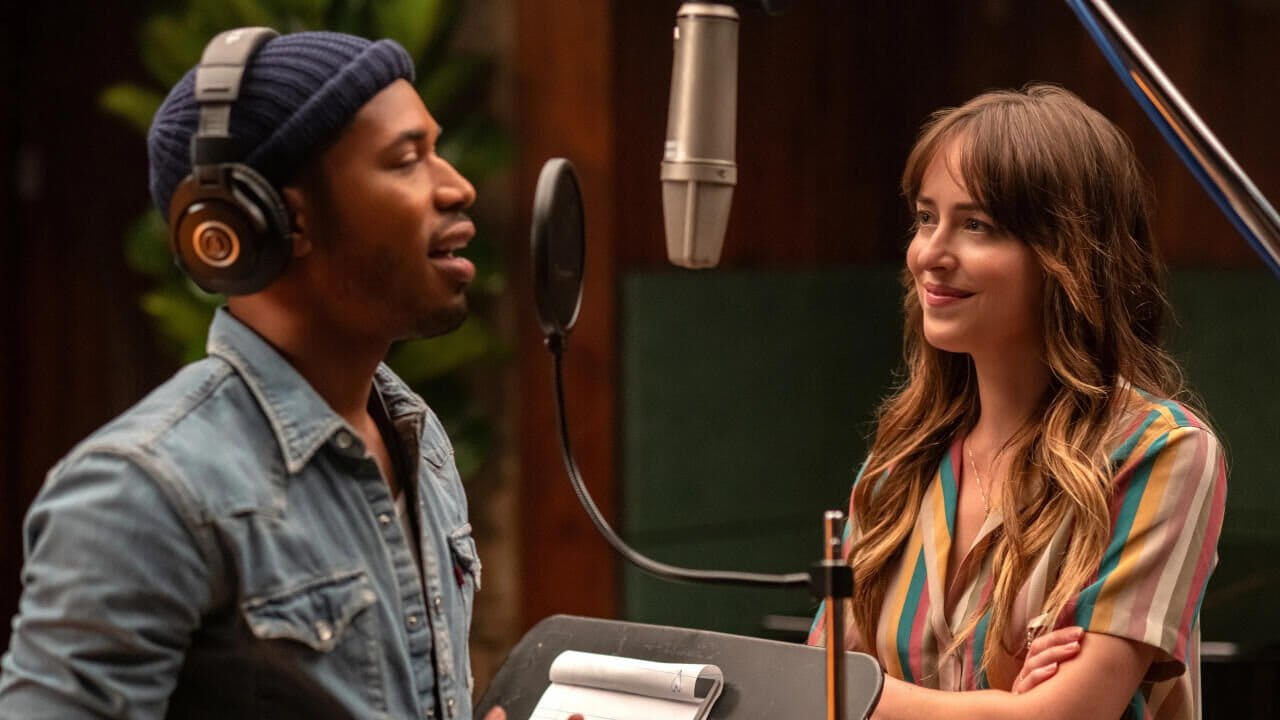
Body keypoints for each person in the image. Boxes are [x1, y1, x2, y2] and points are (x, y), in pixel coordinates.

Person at [0, 28, 518, 720]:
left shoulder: (417, 442)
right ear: (269, 220)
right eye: (406, 160)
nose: (457, 186)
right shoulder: (143, 491)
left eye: (437, 152)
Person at [808, 85, 1227, 720]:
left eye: (976, 225)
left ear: (1069, 256)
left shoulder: (1161, 450)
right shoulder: (897, 462)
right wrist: (1000, 705)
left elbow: (1062, 716)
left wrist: (862, 696)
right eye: (926, 218)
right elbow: (811, 694)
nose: (930, 254)